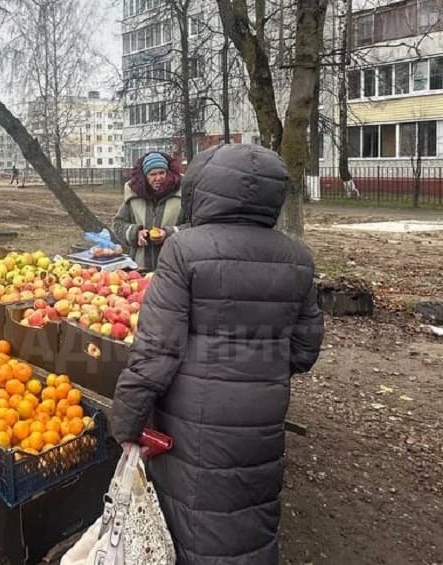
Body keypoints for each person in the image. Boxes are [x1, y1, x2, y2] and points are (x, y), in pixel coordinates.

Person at [111, 144, 325, 565]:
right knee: (251, 512)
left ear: (202, 190)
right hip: (263, 413)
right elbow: (303, 352)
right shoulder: (298, 258)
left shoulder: (185, 249)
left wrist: (126, 420)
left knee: (197, 518)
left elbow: (157, 350)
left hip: (195, 418)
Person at [111, 152, 186, 271]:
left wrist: (169, 233)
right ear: (145, 177)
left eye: (162, 173)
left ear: (168, 172)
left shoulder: (182, 195)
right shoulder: (134, 195)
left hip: (174, 269)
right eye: (152, 174)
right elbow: (118, 224)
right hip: (140, 269)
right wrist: (136, 233)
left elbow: (194, 226)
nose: (158, 178)